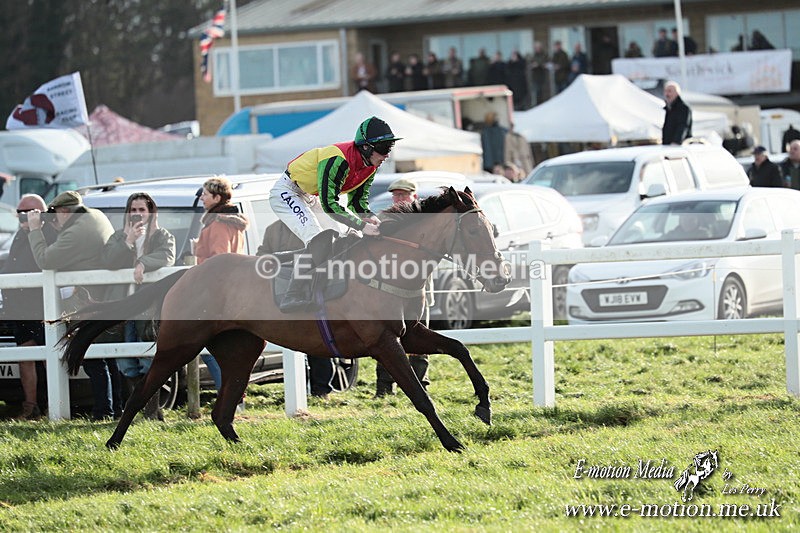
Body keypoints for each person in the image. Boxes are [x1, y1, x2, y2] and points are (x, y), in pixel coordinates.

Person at [268, 116, 399, 313]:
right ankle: (291, 295)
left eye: (389, 148)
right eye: (383, 148)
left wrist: (370, 218)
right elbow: (330, 204)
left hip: (312, 195)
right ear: (366, 147)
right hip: (289, 192)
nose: (386, 155)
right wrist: (363, 226)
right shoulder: (337, 158)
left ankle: (295, 261)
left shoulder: (370, 166)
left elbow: (357, 202)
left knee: (349, 238)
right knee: (321, 239)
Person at [26, 190, 120, 420]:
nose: (53, 218)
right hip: (100, 297)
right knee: (106, 356)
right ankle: (115, 408)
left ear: (65, 211)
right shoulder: (95, 216)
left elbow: (45, 260)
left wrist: (35, 230)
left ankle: (103, 412)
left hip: (85, 300)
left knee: (93, 358)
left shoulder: (77, 231)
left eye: (55, 214)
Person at [102, 192, 175, 420]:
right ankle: (143, 411)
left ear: (151, 212)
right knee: (126, 362)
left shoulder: (162, 235)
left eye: (142, 210)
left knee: (147, 358)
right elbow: (108, 261)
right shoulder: (117, 237)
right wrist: (128, 242)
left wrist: (144, 261)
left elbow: (167, 256)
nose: (137, 214)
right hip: (123, 305)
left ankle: (153, 412)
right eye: (133, 210)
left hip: (149, 305)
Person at [1, 194, 58, 419]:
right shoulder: (19, 234)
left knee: (47, 357)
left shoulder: (49, 233)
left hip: (41, 305)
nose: (22, 217)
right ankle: (30, 407)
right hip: (18, 306)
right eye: (20, 212)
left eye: (28, 212)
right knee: (25, 354)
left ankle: (53, 406)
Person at [374, 178, 430, 397]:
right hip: (387, 293)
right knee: (386, 339)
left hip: (419, 291)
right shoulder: (383, 219)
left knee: (419, 340)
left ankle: (421, 387)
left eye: (403, 194)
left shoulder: (424, 221)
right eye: (396, 195)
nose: (399, 199)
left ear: (414, 196)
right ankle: (384, 389)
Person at [194, 177, 249, 392]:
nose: (201, 197)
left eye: (205, 194)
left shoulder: (217, 224)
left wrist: (198, 253)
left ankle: (228, 394)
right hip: (233, 290)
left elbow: (219, 260)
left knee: (211, 349)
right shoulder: (230, 222)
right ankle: (234, 395)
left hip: (217, 293)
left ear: (217, 198)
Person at [662, 81, 692, 145]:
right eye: (665, 91)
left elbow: (683, 126)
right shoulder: (668, 108)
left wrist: (676, 142)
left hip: (679, 146)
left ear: (677, 93)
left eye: (669, 91)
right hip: (668, 145)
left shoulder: (683, 108)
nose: (667, 94)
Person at [528, 41, 549, 105]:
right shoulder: (533, 55)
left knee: (541, 92)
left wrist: (538, 64)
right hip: (535, 77)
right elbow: (530, 63)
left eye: (538, 47)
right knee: (536, 93)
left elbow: (544, 63)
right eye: (536, 47)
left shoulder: (544, 55)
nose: (537, 48)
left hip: (542, 76)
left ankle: (541, 105)